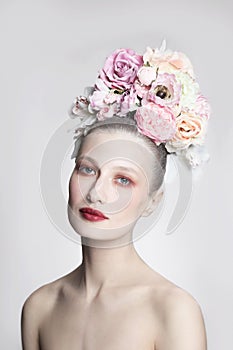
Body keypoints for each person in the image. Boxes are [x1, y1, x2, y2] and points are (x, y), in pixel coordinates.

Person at [21, 42, 210, 350]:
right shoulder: (39, 308)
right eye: (87, 170)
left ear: (153, 200)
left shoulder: (173, 311)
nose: (97, 193)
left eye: (123, 179)